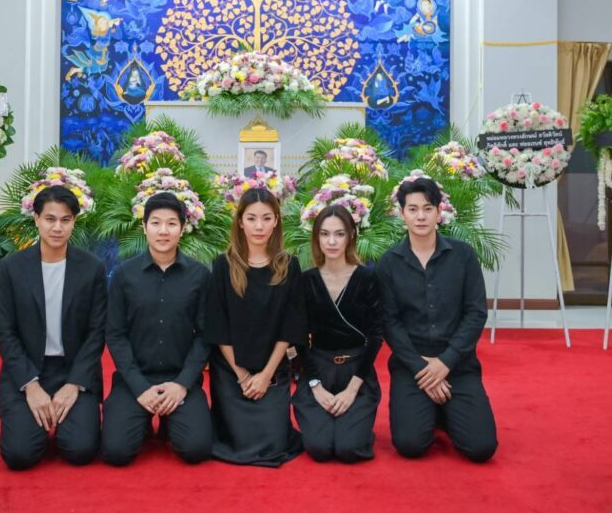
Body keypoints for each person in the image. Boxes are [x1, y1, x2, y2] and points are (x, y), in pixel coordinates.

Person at [376, 177, 498, 463]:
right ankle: (434, 408)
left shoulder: (463, 256)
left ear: (439, 212)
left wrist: (445, 363)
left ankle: (445, 412)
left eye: (428, 208)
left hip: (458, 364)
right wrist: (423, 369)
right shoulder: (388, 263)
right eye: (413, 209)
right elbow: (390, 323)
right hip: (412, 367)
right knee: (410, 445)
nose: (420, 216)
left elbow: (476, 313)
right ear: (402, 213)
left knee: (481, 448)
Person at [0, 185, 107, 470]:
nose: (57, 227)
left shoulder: (91, 268)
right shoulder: (12, 267)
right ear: (36, 219)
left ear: (74, 221)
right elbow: (5, 331)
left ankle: (67, 419)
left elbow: (96, 332)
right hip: (28, 369)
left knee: (80, 450)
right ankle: (31, 423)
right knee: (19, 456)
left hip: (73, 370)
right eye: (50, 219)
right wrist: (30, 386)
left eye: (65, 220)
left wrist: (74, 383)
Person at [102, 192, 213, 465]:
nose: (163, 231)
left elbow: (205, 336)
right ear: (144, 227)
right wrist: (140, 387)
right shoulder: (124, 276)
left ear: (183, 228)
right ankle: (141, 422)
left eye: (171, 224)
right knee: (116, 453)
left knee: (196, 450)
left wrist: (182, 384)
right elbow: (115, 335)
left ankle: (169, 421)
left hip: (180, 379)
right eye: (155, 223)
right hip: (134, 380)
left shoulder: (200, 276)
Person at [204, 187, 305, 466]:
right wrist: (242, 376)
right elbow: (218, 325)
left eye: (266, 218)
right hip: (231, 371)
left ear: (276, 221)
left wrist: (265, 375)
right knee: (234, 444)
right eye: (251, 218)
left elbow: (291, 327)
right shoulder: (223, 265)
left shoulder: (289, 265)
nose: (259, 226)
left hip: (271, 370)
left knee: (273, 446)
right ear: (240, 222)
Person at [292, 205, 383, 462]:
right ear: (317, 238)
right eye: (325, 234)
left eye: (339, 234)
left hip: (357, 369)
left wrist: (352, 389)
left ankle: (357, 428)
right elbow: (299, 338)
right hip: (318, 368)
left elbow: (376, 336)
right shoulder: (306, 280)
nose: (331, 241)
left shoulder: (368, 278)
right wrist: (315, 386)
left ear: (351, 236)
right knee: (319, 448)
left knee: (348, 449)